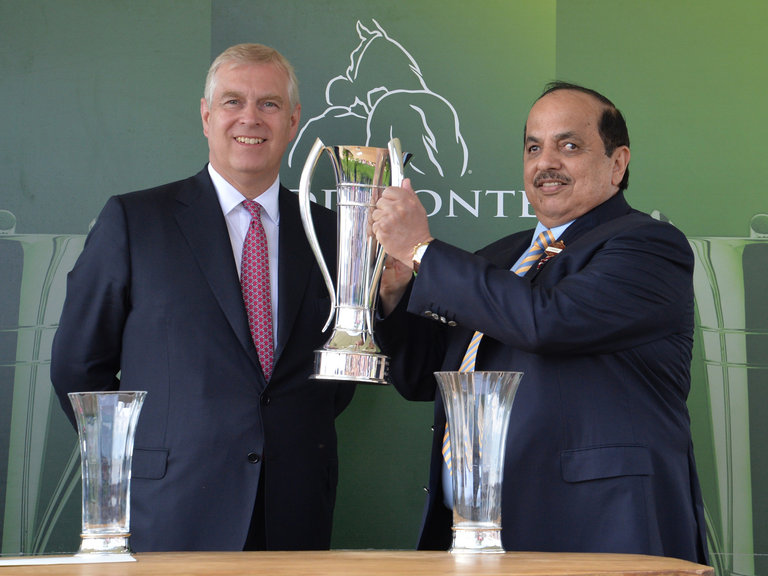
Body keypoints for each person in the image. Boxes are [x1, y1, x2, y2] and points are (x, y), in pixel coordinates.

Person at [370, 81, 708, 564]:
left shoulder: (649, 247)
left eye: (568, 146)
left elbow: (547, 322)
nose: (545, 162)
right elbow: (421, 375)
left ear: (618, 162)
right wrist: (396, 287)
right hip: (476, 532)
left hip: (600, 532)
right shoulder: (501, 258)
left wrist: (423, 250)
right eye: (534, 147)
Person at [50, 43, 354, 552]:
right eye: (233, 101)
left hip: (293, 510)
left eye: (270, 104)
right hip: (168, 509)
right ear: (206, 114)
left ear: (295, 119)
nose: (249, 119)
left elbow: (337, 378)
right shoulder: (135, 221)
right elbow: (79, 371)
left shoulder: (334, 232)